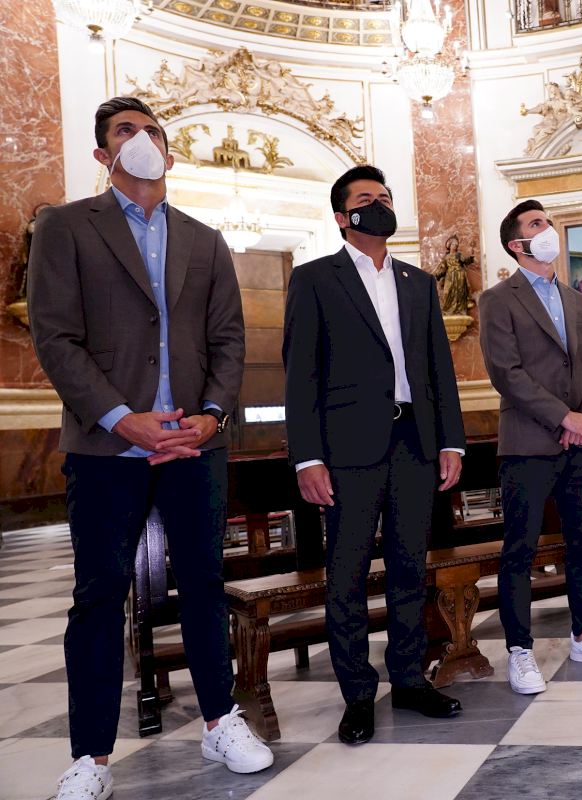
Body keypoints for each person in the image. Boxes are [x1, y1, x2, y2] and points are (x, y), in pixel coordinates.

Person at [28, 96, 272, 800]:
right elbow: (55, 336)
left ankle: (220, 721)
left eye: (152, 131)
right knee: (99, 597)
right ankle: (91, 758)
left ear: (170, 152)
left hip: (194, 446)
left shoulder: (204, 238)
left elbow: (228, 339)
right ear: (103, 154)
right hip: (108, 448)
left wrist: (212, 416)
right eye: (125, 131)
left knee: (203, 585)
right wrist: (119, 417)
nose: (142, 139)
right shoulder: (66, 226)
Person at [283, 165, 467, 745]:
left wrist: (451, 440)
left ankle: (409, 679)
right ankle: (358, 694)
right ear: (343, 216)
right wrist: (306, 458)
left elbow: (439, 368)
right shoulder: (315, 278)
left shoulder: (419, 281)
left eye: (385, 196)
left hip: (414, 441)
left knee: (411, 567)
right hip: (348, 448)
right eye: (367, 198)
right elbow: (301, 375)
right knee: (348, 574)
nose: (380, 204)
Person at [480, 199, 582, 695]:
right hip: (528, 441)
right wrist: (562, 416)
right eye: (536, 224)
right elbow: (506, 372)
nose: (547, 229)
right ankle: (519, 650)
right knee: (521, 549)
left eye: (547, 221)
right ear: (517, 244)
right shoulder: (497, 300)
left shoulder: (576, 300)